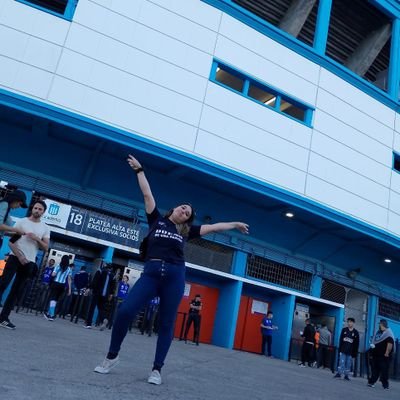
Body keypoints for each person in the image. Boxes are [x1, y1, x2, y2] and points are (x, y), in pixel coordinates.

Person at [94, 154, 249, 385]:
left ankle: (157, 370)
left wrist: (234, 224)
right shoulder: (156, 220)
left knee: (166, 323)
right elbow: (147, 193)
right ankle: (111, 356)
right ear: (174, 209)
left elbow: (215, 227)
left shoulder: (186, 232)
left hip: (175, 276)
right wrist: (139, 170)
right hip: (151, 274)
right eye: (183, 208)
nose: (185, 211)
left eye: (188, 213)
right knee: (126, 311)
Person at [0, 200, 50, 329]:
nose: (37, 211)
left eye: (40, 209)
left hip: (30, 262)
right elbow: (11, 242)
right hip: (15, 258)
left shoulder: (45, 228)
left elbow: (46, 248)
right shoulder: (22, 222)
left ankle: (3, 318)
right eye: (36, 208)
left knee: (16, 291)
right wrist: (19, 255)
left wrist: (37, 238)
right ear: (32, 208)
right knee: (3, 283)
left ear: (43, 212)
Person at [0, 189, 28, 304]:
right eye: (19, 204)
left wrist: (20, 233)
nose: (18, 207)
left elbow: (4, 231)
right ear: (15, 199)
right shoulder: (4, 204)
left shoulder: (7, 209)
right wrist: (15, 229)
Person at [84, 263, 115, 329]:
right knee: (101, 308)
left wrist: (89, 288)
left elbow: (94, 281)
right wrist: (111, 294)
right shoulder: (112, 275)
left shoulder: (100, 271)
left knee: (92, 308)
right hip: (105, 295)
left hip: (97, 293)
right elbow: (113, 286)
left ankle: (88, 324)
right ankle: (104, 319)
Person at [368, 319, 395, 389]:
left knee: (384, 370)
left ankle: (385, 385)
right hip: (376, 355)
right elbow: (375, 340)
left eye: (380, 324)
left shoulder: (388, 333)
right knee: (375, 369)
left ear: (383, 325)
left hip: (384, 356)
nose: (379, 325)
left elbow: (390, 344)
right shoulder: (379, 332)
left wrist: (387, 353)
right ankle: (371, 382)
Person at [44, 255, 72, 321]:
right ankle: (49, 313)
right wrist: (69, 289)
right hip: (62, 286)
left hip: (56, 284)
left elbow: (53, 274)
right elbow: (69, 279)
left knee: (53, 298)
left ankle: (52, 315)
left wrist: (54, 273)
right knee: (56, 299)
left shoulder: (58, 266)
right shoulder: (69, 269)